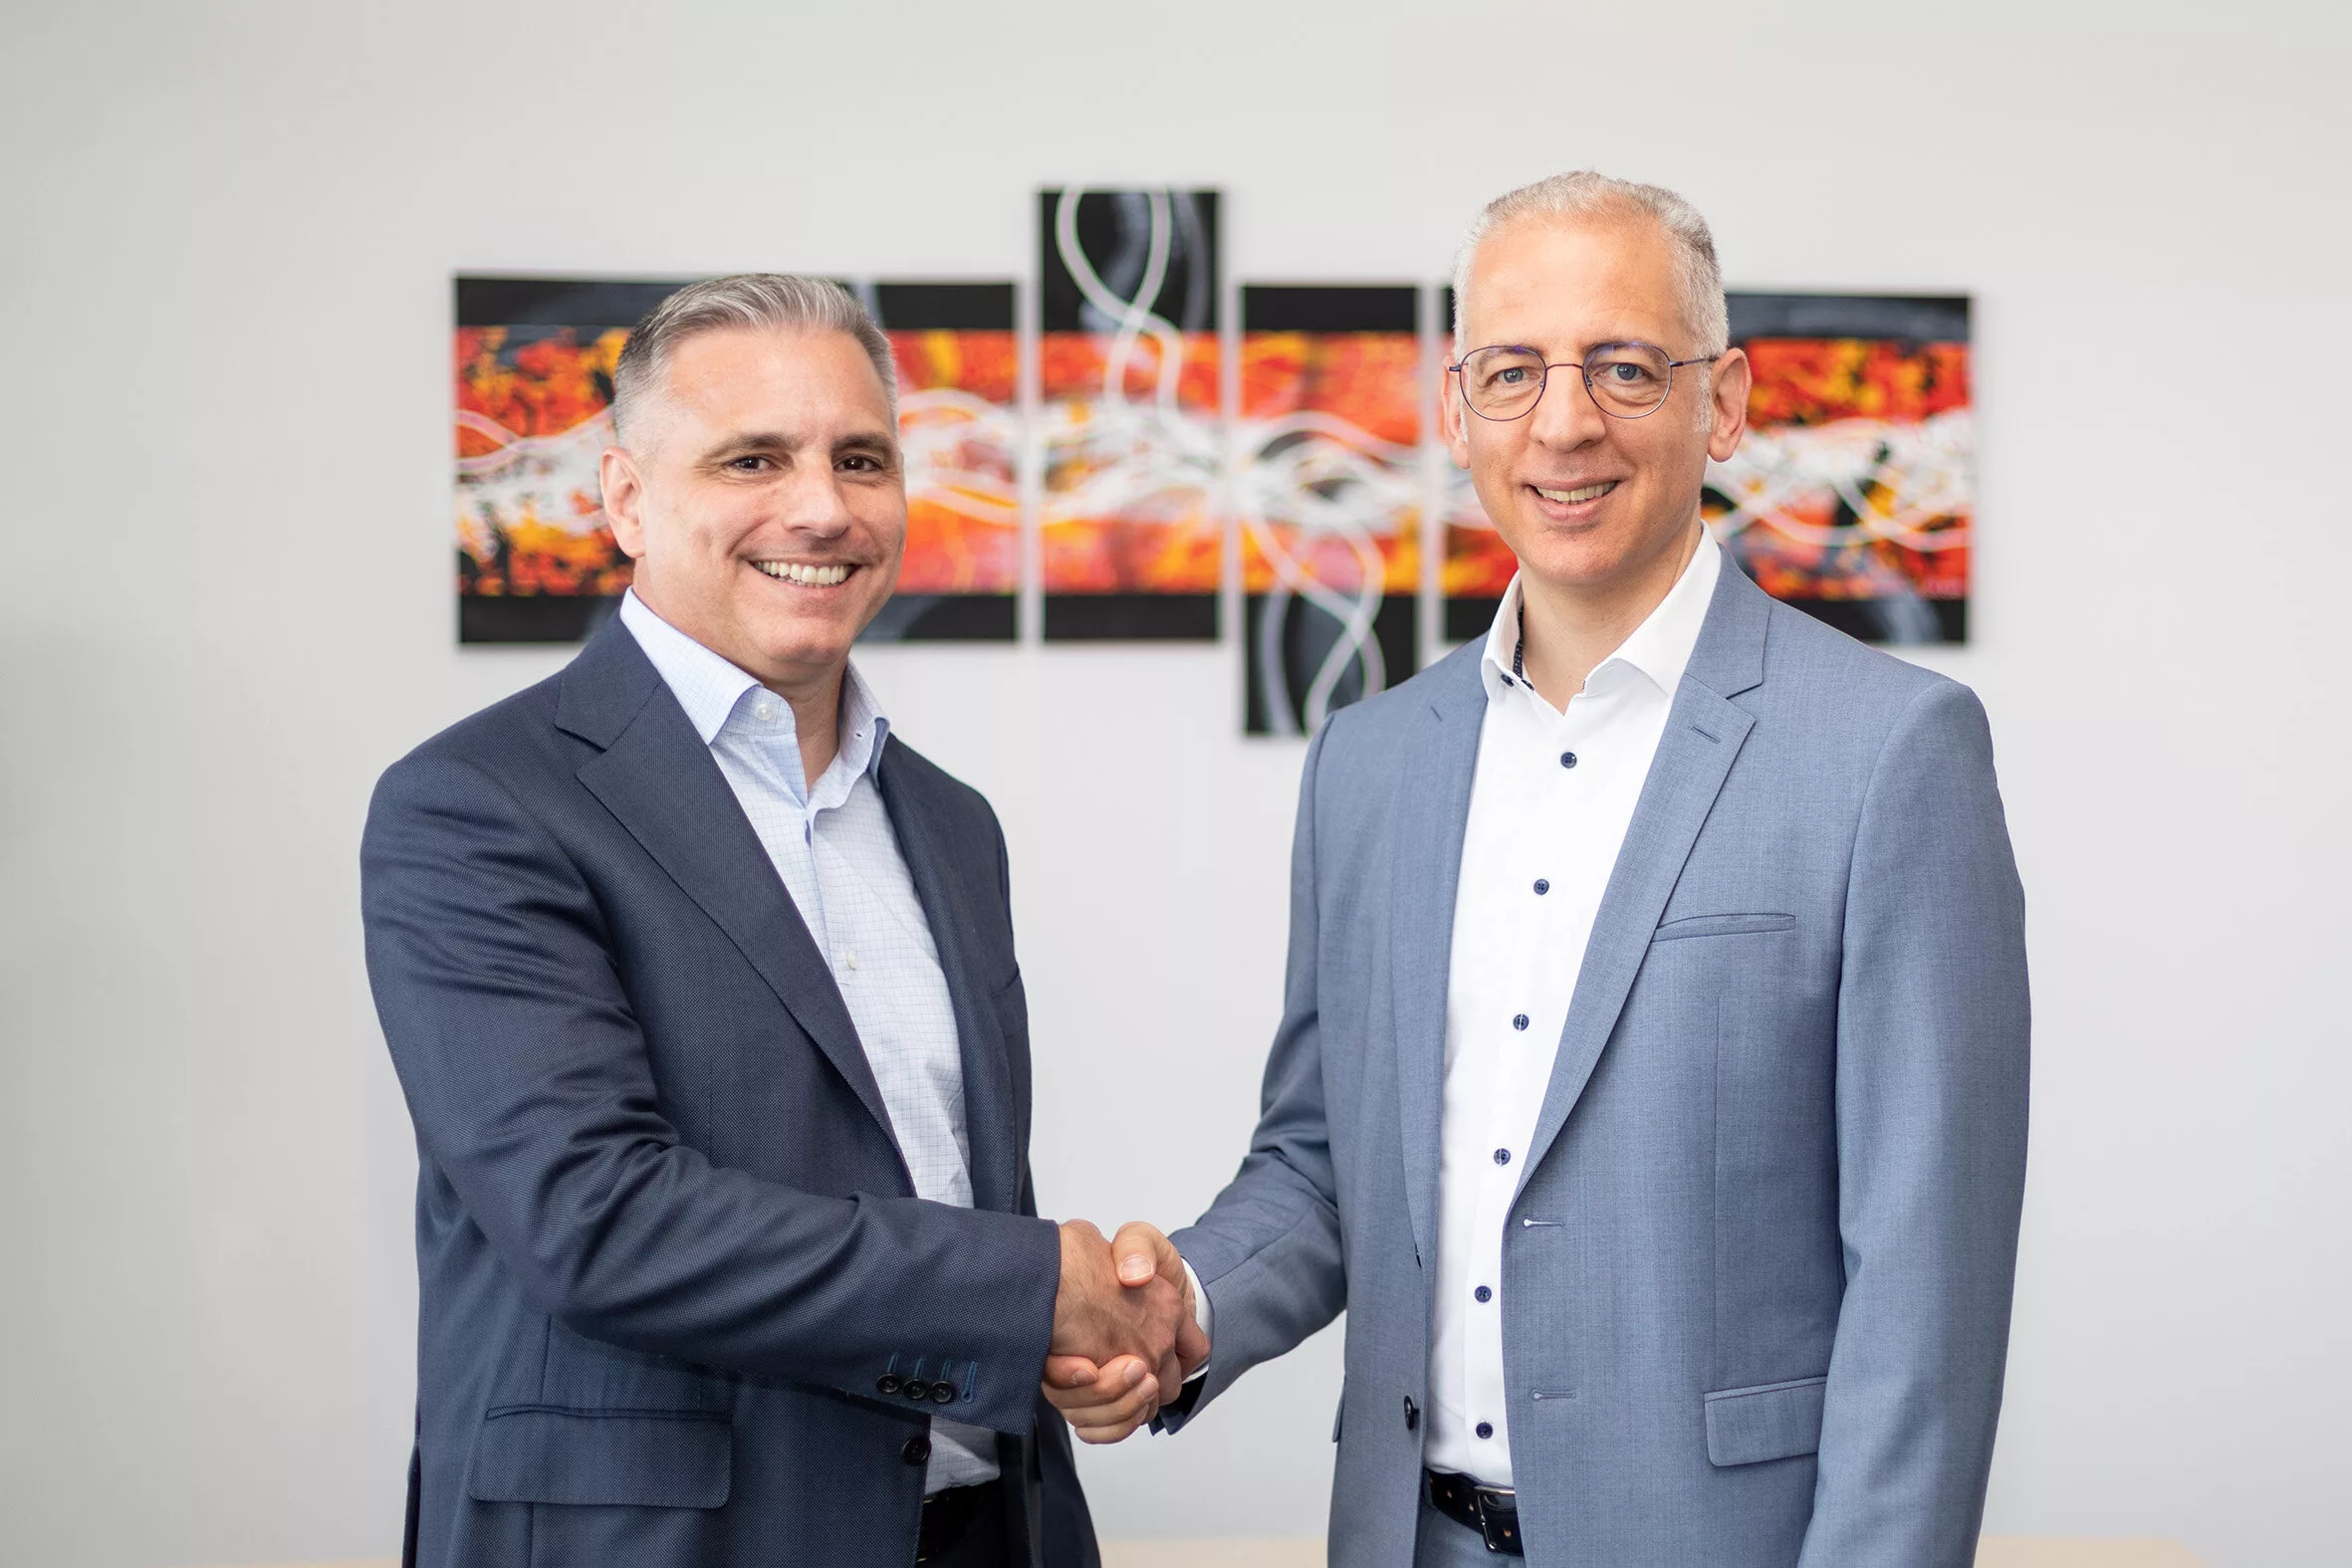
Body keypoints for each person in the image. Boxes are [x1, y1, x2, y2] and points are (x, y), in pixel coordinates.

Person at [1047, 173, 2030, 1568]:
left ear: (1724, 403)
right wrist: (1180, 1307)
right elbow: (1325, 1164)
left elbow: (1924, 1289)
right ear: (1457, 412)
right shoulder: (1368, 763)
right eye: (1512, 372)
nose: (1563, 423)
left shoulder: (1887, 753)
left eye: (1623, 367)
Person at [362, 275, 1201, 1568]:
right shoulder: (479, 803)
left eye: (861, 459)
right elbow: (596, 1218)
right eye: (752, 458)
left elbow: (951, 1192)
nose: (822, 507)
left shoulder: (949, 823)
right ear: (625, 498)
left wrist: (1075, 1345)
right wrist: (1035, 1287)